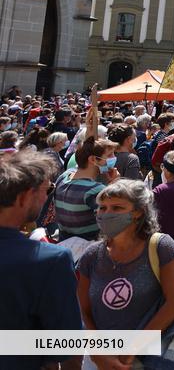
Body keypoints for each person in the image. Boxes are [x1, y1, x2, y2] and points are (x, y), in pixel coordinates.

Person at [77, 179, 174, 368]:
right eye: (102, 208)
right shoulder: (91, 256)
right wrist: (98, 353)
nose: (106, 213)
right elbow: (83, 310)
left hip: (149, 357)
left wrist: (131, 351)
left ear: (138, 212)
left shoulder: (160, 247)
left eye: (117, 207)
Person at [0, 151, 84, 370]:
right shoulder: (50, 260)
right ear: (25, 197)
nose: (47, 197)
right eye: (48, 190)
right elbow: (67, 349)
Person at [55, 137, 119, 240]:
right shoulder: (95, 190)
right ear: (92, 159)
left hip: (63, 241)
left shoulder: (64, 176)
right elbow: (112, 221)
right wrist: (114, 184)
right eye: (109, 155)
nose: (114, 158)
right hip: (86, 246)